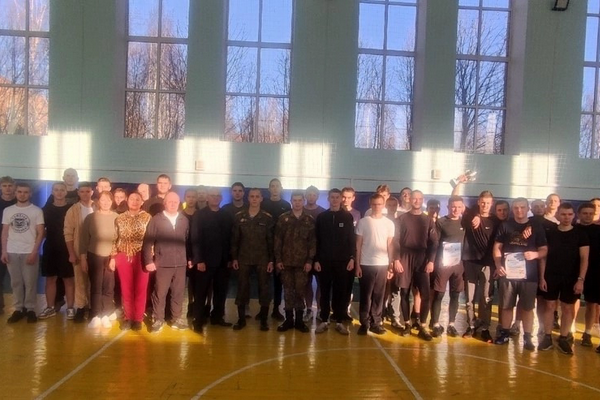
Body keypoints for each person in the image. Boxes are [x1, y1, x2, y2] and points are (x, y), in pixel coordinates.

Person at [493, 198, 547, 351]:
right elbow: (497, 247)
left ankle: (527, 337)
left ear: (528, 208)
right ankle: (504, 333)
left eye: (522, 207)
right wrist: (498, 265)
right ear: (512, 209)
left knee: (527, 308)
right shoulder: (505, 225)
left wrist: (535, 255)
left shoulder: (536, 226)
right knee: (506, 306)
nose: (519, 210)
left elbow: (544, 249)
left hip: (529, 275)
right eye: (516, 207)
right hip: (508, 273)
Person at [538, 203, 589, 355]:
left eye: (569, 214)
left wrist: (580, 279)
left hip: (571, 277)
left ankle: (563, 338)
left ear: (573, 215)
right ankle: (547, 337)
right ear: (558, 215)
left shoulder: (580, 234)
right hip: (551, 275)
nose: (566, 217)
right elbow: (543, 257)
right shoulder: (550, 233)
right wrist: (542, 277)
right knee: (549, 306)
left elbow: (584, 258)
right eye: (563, 214)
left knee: (567, 308)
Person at [143, 192, 192, 332]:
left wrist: (189, 258)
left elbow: (188, 242)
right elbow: (148, 242)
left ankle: (176, 319)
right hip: (163, 263)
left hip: (180, 264)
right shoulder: (156, 220)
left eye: (175, 202)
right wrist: (148, 260)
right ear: (164, 203)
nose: (173, 204)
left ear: (179, 204)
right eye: (170, 201)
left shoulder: (184, 220)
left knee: (178, 293)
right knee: (160, 293)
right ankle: (158, 319)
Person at [393, 190, 438, 341]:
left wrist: (431, 261)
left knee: (425, 294)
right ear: (410, 200)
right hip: (405, 257)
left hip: (422, 258)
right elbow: (396, 241)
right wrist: (396, 259)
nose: (417, 201)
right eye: (414, 198)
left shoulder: (428, 220)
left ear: (422, 200)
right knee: (404, 292)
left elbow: (434, 243)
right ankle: (407, 323)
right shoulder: (401, 219)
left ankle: (423, 326)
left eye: (419, 198)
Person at [191, 188, 234, 332]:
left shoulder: (226, 215)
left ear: (221, 198)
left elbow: (230, 239)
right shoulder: (199, 215)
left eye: (218, 196)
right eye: (212, 195)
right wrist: (199, 260)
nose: (215, 198)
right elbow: (195, 238)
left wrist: (230, 258)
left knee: (221, 292)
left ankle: (217, 317)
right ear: (207, 198)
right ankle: (198, 320)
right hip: (204, 262)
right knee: (201, 293)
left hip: (223, 262)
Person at [231, 188, 274, 331]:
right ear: (248, 198)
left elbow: (271, 241)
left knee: (264, 288)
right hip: (243, 257)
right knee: (242, 288)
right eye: (252, 196)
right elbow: (235, 240)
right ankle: (241, 319)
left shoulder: (267, 218)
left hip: (262, 258)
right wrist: (234, 258)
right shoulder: (239, 217)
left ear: (261, 198)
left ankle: (263, 320)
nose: (254, 199)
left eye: (257, 196)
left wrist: (271, 260)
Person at [314, 189, 355, 335]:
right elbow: (316, 240)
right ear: (328, 199)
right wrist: (316, 259)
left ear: (341, 199)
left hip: (342, 262)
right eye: (332, 197)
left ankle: (339, 321)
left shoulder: (347, 217)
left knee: (340, 292)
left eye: (337, 197)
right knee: (324, 291)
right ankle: (324, 320)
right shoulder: (322, 217)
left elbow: (351, 239)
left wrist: (352, 258)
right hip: (324, 261)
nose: (335, 200)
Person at [1, 183, 44, 323]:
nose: (22, 194)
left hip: (29, 251)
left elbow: (40, 233)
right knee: (16, 282)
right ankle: (18, 309)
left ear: (30, 194)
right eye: (19, 192)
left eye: (25, 192)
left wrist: (35, 251)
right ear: (15, 193)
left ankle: (30, 309)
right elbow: (5, 232)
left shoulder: (36, 211)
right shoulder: (8, 210)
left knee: (30, 282)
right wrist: (4, 251)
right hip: (12, 251)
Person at [274, 191, 315, 333]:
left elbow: (312, 242)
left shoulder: (309, 220)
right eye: (295, 200)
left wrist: (309, 260)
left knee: (300, 291)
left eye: (299, 200)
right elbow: (278, 241)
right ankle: (289, 319)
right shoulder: (283, 218)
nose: (297, 203)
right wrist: (278, 259)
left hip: (302, 264)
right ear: (291, 201)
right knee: (288, 291)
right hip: (286, 263)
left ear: (303, 201)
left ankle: (299, 320)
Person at [110, 192, 151, 331]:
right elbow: (114, 238)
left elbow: (151, 239)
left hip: (141, 256)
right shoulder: (120, 218)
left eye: (137, 199)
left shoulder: (147, 218)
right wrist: (113, 257)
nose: (134, 201)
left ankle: (138, 318)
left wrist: (150, 257)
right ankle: (128, 317)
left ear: (142, 202)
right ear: (127, 201)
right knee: (126, 288)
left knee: (141, 289)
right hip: (123, 255)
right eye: (132, 199)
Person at [355, 194, 395, 335]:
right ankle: (364, 323)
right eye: (374, 204)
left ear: (383, 205)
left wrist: (390, 264)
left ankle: (376, 322)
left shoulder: (389, 224)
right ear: (370, 204)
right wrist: (358, 265)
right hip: (366, 264)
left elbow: (390, 245)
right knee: (366, 295)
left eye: (379, 204)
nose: (377, 207)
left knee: (379, 295)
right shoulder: (363, 222)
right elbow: (358, 245)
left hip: (382, 264)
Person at [79, 191, 118, 329]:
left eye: (108, 200)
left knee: (108, 286)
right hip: (94, 256)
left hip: (110, 257)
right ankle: (95, 314)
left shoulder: (117, 217)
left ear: (112, 202)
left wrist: (114, 257)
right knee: (95, 286)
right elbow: (84, 239)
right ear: (98, 201)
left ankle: (105, 313)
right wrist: (83, 258)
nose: (106, 202)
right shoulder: (90, 218)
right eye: (103, 200)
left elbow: (119, 240)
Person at [430, 196, 465, 338]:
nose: (456, 209)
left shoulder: (465, 222)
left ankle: (451, 324)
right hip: (443, 264)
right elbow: (434, 243)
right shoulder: (441, 222)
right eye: (453, 206)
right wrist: (433, 261)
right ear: (448, 207)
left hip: (459, 264)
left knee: (455, 295)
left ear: (462, 208)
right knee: (439, 294)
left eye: (459, 207)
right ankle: (435, 324)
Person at [39, 182, 75, 320]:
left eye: (62, 190)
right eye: (56, 190)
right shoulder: (45, 210)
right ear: (52, 192)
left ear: (66, 192)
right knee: (50, 279)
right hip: (50, 248)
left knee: (68, 279)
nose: (59, 192)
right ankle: (50, 307)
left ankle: (70, 308)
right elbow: (41, 230)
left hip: (67, 248)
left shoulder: (72, 209)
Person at [64, 182, 96, 322]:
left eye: (87, 191)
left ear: (92, 192)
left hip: (96, 249)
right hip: (78, 249)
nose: (85, 194)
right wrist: (71, 253)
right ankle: (81, 307)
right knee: (80, 280)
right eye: (82, 191)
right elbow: (68, 233)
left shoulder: (98, 206)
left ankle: (93, 307)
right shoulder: (73, 210)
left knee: (95, 280)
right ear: (78, 193)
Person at [260, 178, 290, 321]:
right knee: (264, 281)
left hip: (281, 248)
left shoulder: (286, 205)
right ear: (269, 189)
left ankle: (276, 309)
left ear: (281, 188)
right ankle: (263, 309)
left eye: (277, 186)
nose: (275, 188)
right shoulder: (263, 204)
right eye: (272, 186)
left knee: (279, 282)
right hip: (264, 247)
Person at [577, 203, 600, 349]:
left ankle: (587, 333)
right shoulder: (573, 229)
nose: (588, 216)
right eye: (585, 213)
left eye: (591, 213)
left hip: (595, 272)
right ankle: (569, 331)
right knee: (570, 303)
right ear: (579, 214)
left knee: (592, 304)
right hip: (574, 271)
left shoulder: (598, 230)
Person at [303, 185, 325, 322]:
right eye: (309, 194)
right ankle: (309, 309)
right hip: (303, 254)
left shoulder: (323, 213)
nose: (311, 197)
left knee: (321, 283)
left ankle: (320, 309)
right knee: (306, 283)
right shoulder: (300, 211)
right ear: (305, 196)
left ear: (317, 196)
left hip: (320, 254)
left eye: (314, 195)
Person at [0, 176, 17, 315]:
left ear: (14, 187)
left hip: (17, 244)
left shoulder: (20, 202)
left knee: (19, 279)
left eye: (10, 186)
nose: (7, 188)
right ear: (1, 187)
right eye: (4, 186)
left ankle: (22, 308)